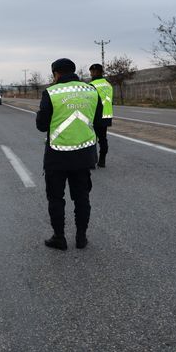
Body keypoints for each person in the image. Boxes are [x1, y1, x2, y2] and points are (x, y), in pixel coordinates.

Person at [36, 58, 100, 250]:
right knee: (82, 197)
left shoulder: (51, 92)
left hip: (58, 155)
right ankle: (81, 238)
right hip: (84, 152)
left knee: (56, 198)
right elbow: (96, 119)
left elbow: (41, 126)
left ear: (56, 74)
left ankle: (59, 238)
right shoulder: (91, 90)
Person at [89, 64, 113, 168]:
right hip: (106, 115)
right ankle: (102, 161)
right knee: (103, 139)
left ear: (94, 72)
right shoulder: (108, 84)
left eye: (91, 72)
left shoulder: (92, 85)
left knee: (92, 139)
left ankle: (93, 162)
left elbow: (89, 102)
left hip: (94, 116)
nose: (91, 74)